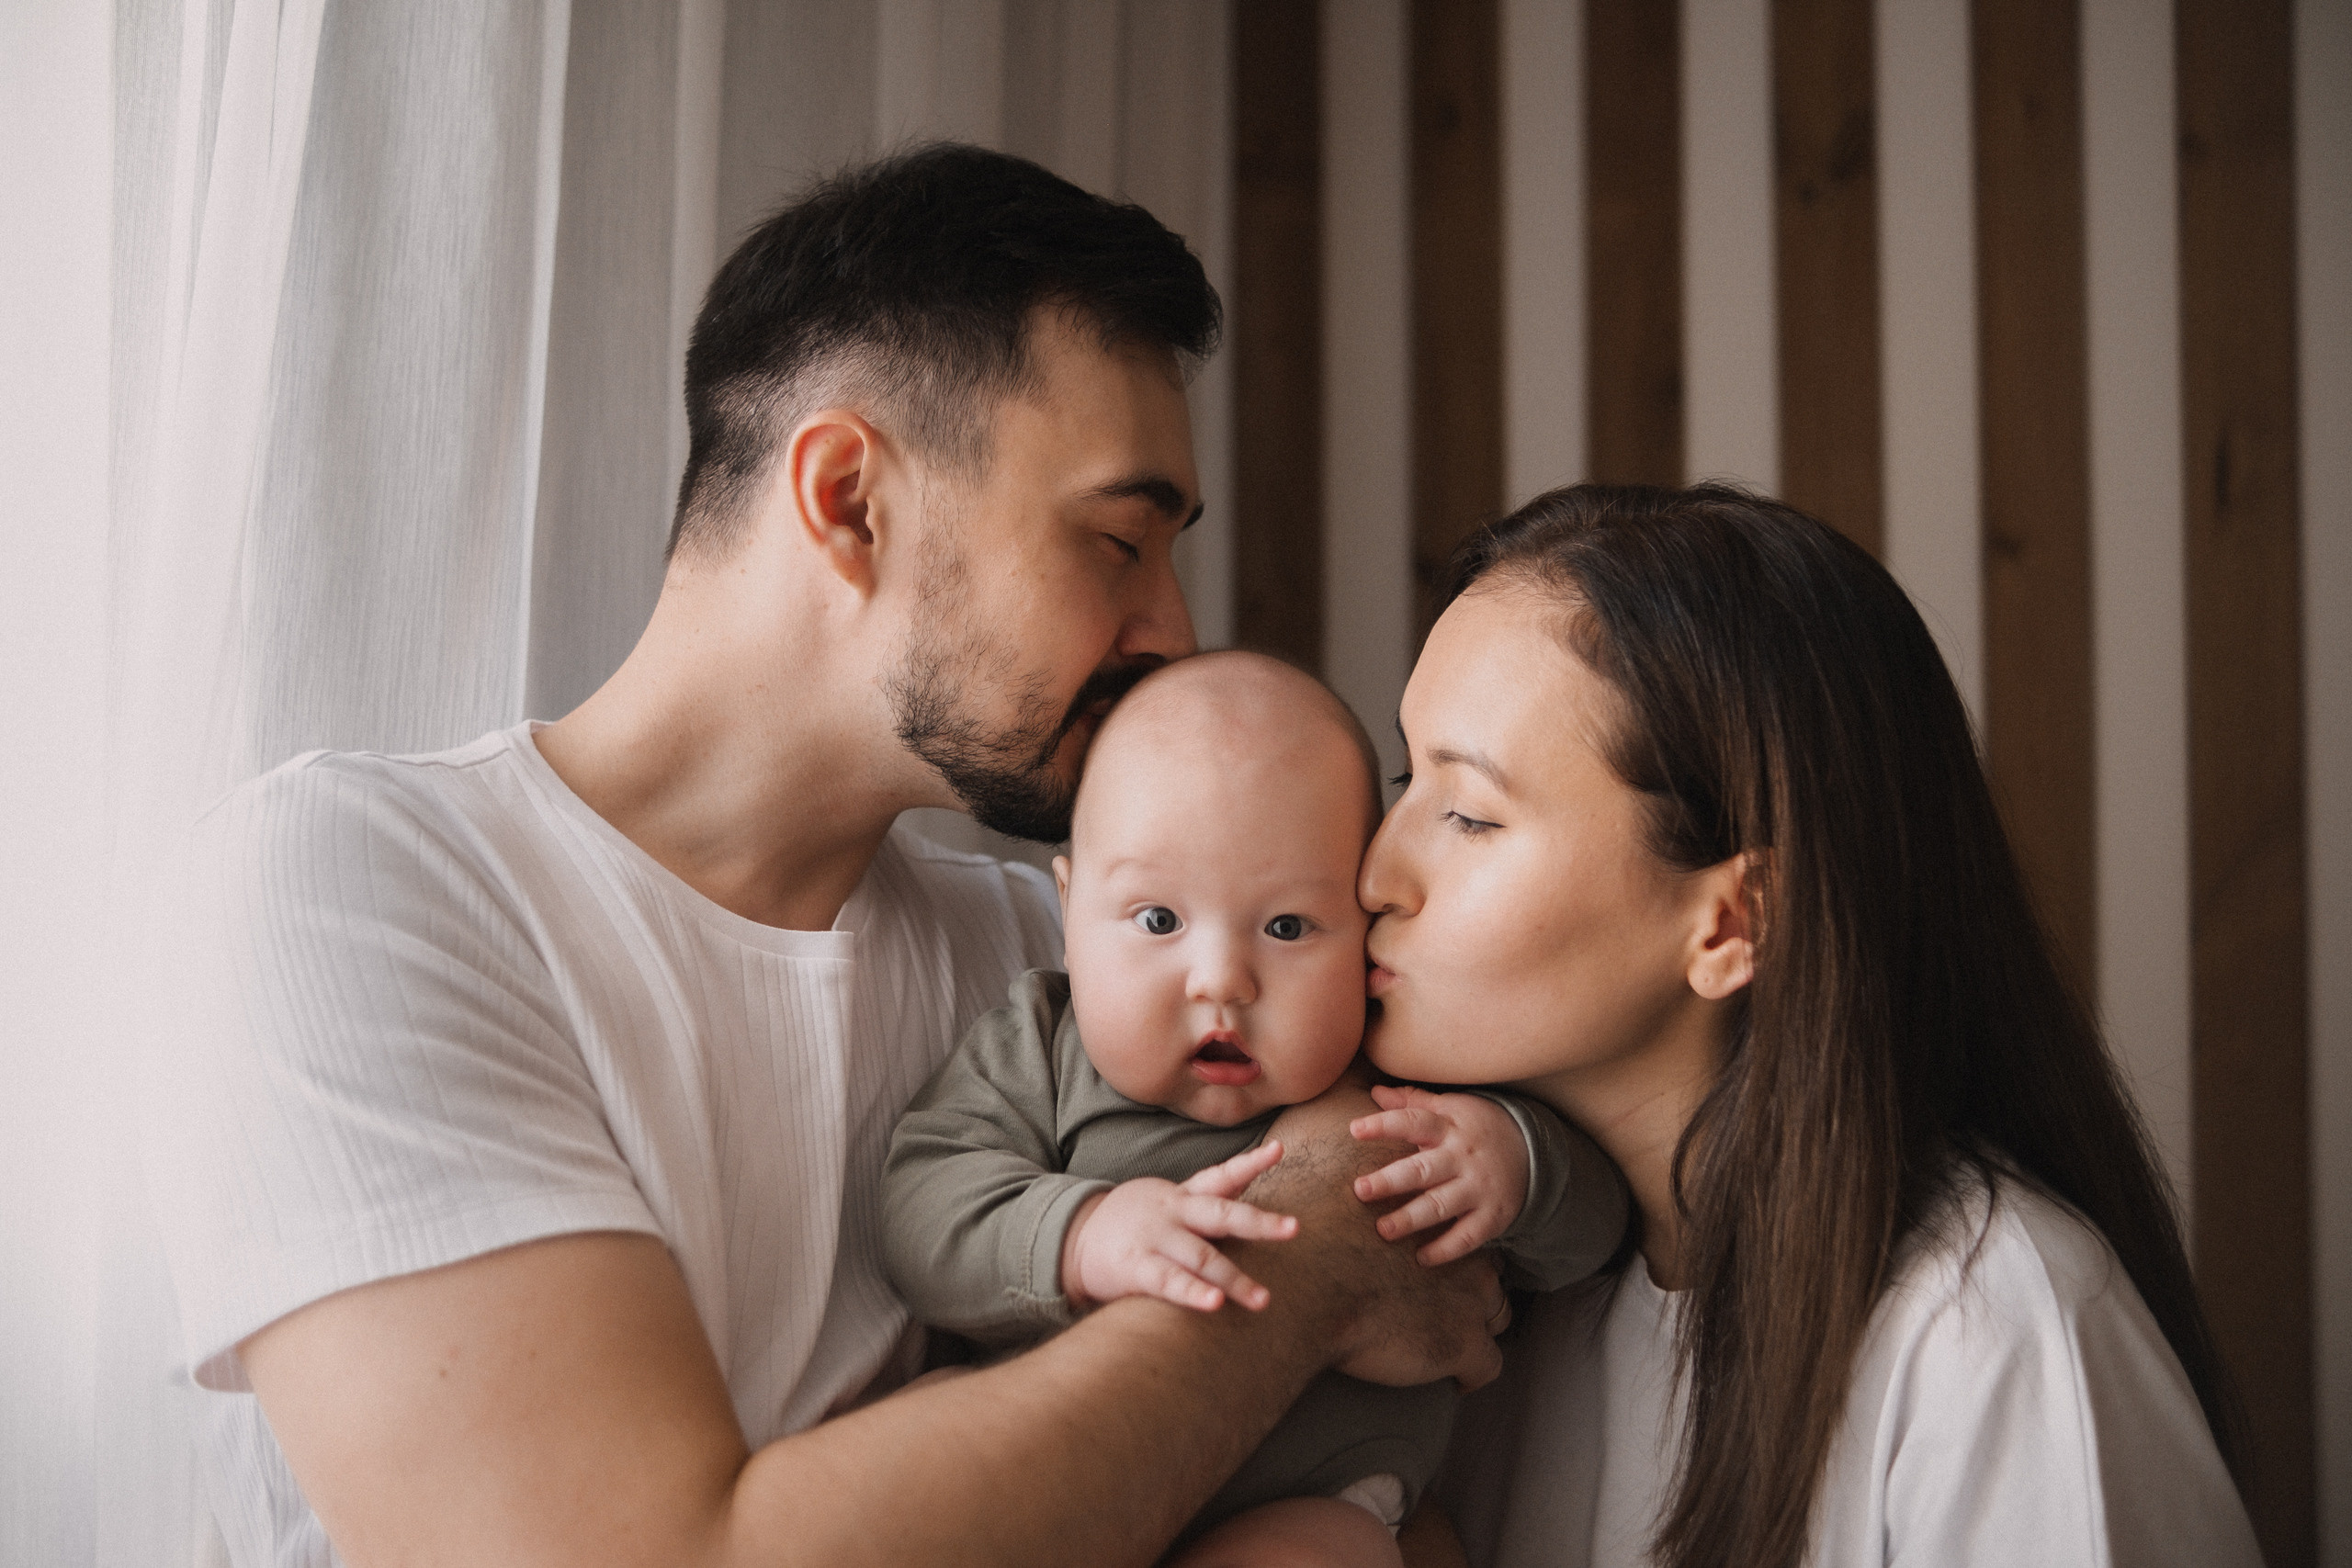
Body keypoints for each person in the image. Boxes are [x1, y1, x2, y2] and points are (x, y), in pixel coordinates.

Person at [146, 144, 1507, 1568]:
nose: (1171, 628)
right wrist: (1300, 1278)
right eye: (1119, 539)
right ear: (851, 498)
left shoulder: (1069, 960)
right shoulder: (356, 890)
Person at [1351, 481, 2261, 1568]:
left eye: (1464, 813)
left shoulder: (1993, 1336)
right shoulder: (1475, 1301)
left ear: (1733, 921)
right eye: (1405, 776)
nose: (1371, 872)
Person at [882, 651, 1629, 1566]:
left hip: (1314, 1495)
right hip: (1060, 1484)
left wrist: (1514, 1165)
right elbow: (919, 1206)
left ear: (1363, 929)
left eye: (1286, 927)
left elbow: (1591, 1237)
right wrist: (1079, 1232)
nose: (1221, 980)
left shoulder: (1409, 1082)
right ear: (1070, 909)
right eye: (1157, 920)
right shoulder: (1041, 1045)